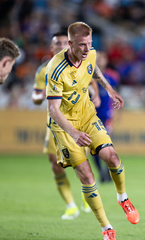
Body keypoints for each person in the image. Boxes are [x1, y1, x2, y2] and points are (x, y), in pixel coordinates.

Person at [46, 21, 139, 240]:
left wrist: (109, 89)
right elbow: (53, 109)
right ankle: (107, 228)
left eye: (89, 44)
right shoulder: (55, 69)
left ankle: (123, 198)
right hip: (65, 126)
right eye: (81, 45)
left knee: (112, 157)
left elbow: (94, 68)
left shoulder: (91, 53)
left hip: (88, 116)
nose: (87, 49)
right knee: (87, 176)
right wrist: (74, 133)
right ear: (69, 44)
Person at [32, 31, 91, 220]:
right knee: (55, 164)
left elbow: (92, 87)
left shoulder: (83, 65)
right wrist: (40, 97)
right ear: (52, 48)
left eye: (65, 42)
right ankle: (70, 206)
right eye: (57, 43)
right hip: (55, 124)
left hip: (79, 121)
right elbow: (35, 95)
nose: (61, 46)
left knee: (81, 164)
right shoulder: (44, 70)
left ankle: (87, 195)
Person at [91, 51, 120, 183]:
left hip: (106, 116)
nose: (99, 60)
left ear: (106, 60)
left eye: (102, 58)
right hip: (91, 116)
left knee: (107, 146)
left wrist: (116, 114)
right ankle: (101, 173)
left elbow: (117, 96)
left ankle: (109, 172)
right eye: (97, 58)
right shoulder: (87, 75)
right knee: (94, 148)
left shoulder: (112, 76)